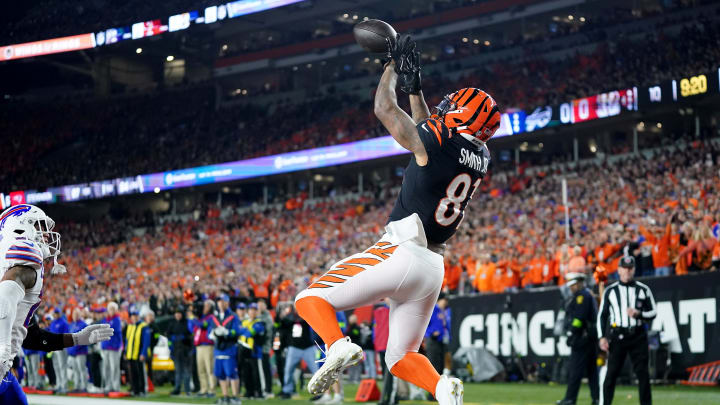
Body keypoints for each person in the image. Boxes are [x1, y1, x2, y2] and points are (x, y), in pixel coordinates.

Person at [293, 34, 498, 404]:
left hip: (402, 249)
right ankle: (440, 387)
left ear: (463, 115)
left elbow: (385, 110)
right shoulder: (479, 154)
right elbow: (427, 134)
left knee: (310, 299)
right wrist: (414, 87)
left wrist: (390, 67)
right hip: (432, 267)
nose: (446, 105)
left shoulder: (442, 141)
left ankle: (337, 345)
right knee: (401, 357)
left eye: (454, 105)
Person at [0, 204, 113, 405]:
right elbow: (4, 296)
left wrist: (76, 339)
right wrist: (2, 348)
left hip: (5, 375)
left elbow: (32, 337)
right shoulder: (22, 269)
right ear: (18, 228)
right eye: (39, 227)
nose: (46, 235)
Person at [597, 256, 657, 405]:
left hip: (637, 335)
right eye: (624, 268)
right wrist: (602, 337)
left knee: (643, 375)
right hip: (618, 336)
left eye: (630, 268)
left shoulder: (643, 289)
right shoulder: (610, 291)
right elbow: (602, 316)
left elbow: (654, 312)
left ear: (634, 269)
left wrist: (639, 314)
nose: (627, 271)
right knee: (611, 374)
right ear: (618, 270)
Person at [556, 273, 599, 405]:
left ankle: (570, 399)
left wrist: (571, 333)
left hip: (582, 338)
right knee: (592, 371)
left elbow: (579, 319)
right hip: (590, 337)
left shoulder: (582, 296)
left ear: (579, 283)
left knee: (575, 370)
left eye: (573, 284)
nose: (571, 287)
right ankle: (597, 398)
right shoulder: (586, 295)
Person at [278, 305, 319, 399]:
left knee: (316, 371)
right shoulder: (290, 317)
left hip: (308, 347)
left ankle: (318, 392)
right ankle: (287, 391)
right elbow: (282, 324)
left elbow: (309, 323)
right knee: (288, 370)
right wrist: (282, 316)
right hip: (294, 347)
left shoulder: (307, 315)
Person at [209, 294, 241, 405]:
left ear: (227, 303)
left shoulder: (233, 316)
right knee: (220, 374)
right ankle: (225, 396)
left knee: (231, 373)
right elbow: (210, 329)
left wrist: (228, 332)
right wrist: (212, 334)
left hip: (229, 347)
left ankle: (235, 397)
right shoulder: (214, 317)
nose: (221, 303)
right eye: (219, 301)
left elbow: (237, 330)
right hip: (218, 348)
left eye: (223, 301)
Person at [240, 302, 266, 399]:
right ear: (248, 311)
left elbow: (250, 333)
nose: (253, 312)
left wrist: (244, 330)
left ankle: (260, 392)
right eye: (251, 310)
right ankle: (249, 392)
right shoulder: (245, 322)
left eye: (255, 310)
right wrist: (244, 330)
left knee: (257, 374)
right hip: (244, 352)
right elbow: (240, 332)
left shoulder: (260, 323)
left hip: (255, 352)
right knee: (246, 373)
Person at [193, 299, 217, 398]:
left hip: (208, 345)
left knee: (209, 369)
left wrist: (195, 321)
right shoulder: (201, 317)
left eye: (206, 306)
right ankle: (204, 389)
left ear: (211, 308)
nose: (204, 307)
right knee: (201, 369)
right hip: (199, 346)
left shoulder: (212, 317)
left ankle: (212, 390)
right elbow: (194, 329)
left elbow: (203, 325)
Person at [167, 305, 193, 396]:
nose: (177, 315)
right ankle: (177, 388)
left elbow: (190, 335)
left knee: (186, 370)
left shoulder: (187, 322)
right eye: (176, 313)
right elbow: (169, 336)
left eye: (179, 313)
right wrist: (170, 347)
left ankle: (187, 389)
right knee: (178, 370)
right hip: (176, 350)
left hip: (185, 349)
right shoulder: (172, 323)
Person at [125, 309, 150, 396]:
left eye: (135, 315)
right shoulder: (130, 326)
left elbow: (146, 341)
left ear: (138, 316)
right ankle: (135, 390)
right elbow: (127, 340)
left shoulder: (143, 326)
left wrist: (143, 353)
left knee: (141, 373)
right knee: (133, 373)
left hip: (139, 354)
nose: (134, 317)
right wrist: (125, 351)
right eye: (132, 316)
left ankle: (142, 390)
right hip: (130, 353)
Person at [424, 293, 451, 375]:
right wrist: (430, 333)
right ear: (439, 300)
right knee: (433, 364)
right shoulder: (432, 309)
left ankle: (438, 386)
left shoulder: (443, 311)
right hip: (432, 340)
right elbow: (423, 324)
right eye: (444, 300)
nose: (446, 302)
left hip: (441, 341)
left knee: (440, 366)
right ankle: (429, 386)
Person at [101, 301, 123, 393]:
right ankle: (108, 385)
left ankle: (115, 386)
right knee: (106, 367)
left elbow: (115, 332)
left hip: (114, 346)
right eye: (110, 309)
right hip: (106, 346)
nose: (111, 311)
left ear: (116, 310)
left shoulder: (117, 319)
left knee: (114, 367)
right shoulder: (106, 320)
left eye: (113, 309)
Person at [67, 308, 90, 393]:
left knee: (82, 369)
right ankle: (77, 386)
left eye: (77, 314)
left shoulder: (83, 324)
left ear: (80, 315)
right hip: (73, 352)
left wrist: (76, 347)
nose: (75, 316)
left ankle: (84, 386)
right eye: (74, 314)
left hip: (81, 351)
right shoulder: (71, 325)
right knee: (75, 370)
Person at [48, 307, 69, 393]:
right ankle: (59, 384)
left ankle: (64, 386)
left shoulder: (63, 323)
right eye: (55, 313)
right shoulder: (52, 323)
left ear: (60, 314)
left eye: (57, 313)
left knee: (62, 366)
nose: (56, 314)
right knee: (56, 367)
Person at [257, 299, 275, 397]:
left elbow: (267, 333)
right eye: (258, 306)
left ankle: (268, 390)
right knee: (260, 370)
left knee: (265, 369)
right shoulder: (258, 316)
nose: (259, 307)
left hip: (264, 348)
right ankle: (262, 389)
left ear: (265, 306)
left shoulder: (267, 317)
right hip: (257, 349)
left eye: (261, 305)